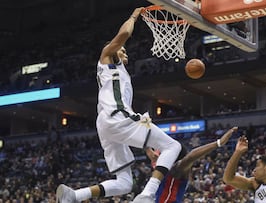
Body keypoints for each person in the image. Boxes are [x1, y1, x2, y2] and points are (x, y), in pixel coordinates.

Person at [56, 7, 183, 203]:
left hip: (109, 125)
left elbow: (130, 126)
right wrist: (134, 16)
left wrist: (148, 150)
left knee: (125, 183)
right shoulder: (106, 59)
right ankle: (148, 194)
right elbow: (123, 34)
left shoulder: (119, 74)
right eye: (121, 49)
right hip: (115, 117)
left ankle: (74, 196)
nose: (125, 52)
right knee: (173, 146)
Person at [146, 127, 238, 203]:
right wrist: (147, 147)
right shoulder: (162, 168)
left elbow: (191, 157)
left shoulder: (176, 170)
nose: (157, 155)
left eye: (160, 153)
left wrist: (218, 143)